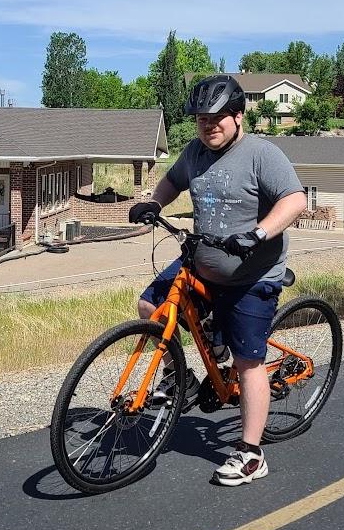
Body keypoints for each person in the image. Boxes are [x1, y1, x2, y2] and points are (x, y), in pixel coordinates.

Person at [129, 75, 306, 486]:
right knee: (148, 308)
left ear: (238, 116)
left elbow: (295, 199)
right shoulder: (193, 153)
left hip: (252, 275)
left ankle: (250, 454)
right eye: (201, 119)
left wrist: (260, 233)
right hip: (200, 262)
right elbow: (173, 180)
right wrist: (154, 202)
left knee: (249, 363)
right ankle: (182, 377)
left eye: (218, 118)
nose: (209, 126)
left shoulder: (262, 154)